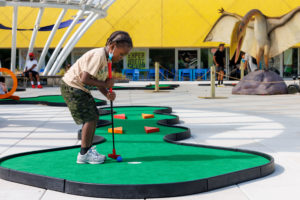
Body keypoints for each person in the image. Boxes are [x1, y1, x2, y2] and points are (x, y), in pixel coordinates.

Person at [61, 31, 133, 164]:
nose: (122, 57)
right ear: (112, 47)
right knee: (90, 118)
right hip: (72, 86)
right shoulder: (99, 56)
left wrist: (106, 93)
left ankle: (87, 151)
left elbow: (97, 81)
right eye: (121, 54)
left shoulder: (107, 60)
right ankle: (83, 154)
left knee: (93, 117)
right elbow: (85, 79)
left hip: (79, 88)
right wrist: (105, 84)